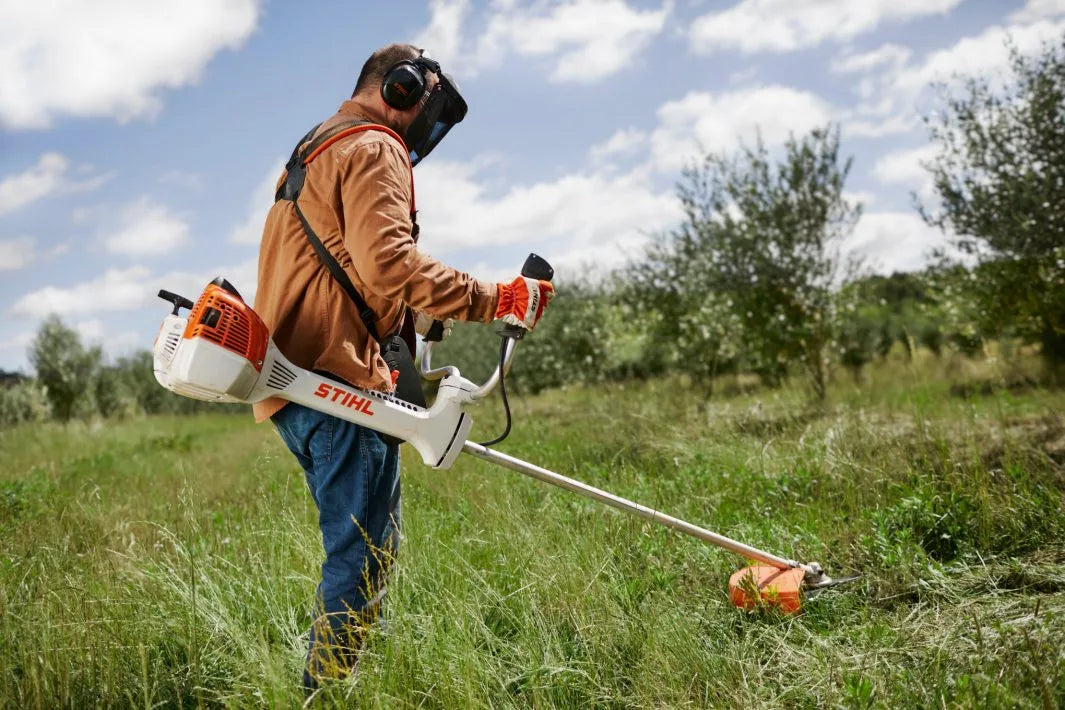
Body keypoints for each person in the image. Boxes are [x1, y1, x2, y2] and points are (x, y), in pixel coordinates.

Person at [252, 43, 554, 690]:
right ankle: (327, 694)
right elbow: (388, 263)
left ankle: (334, 683)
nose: (427, 123)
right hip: (334, 386)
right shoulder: (372, 145)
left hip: (303, 384)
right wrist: (498, 298)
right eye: (430, 105)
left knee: (358, 552)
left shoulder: (313, 151)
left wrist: (413, 327)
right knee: (360, 558)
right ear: (401, 86)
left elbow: (349, 271)